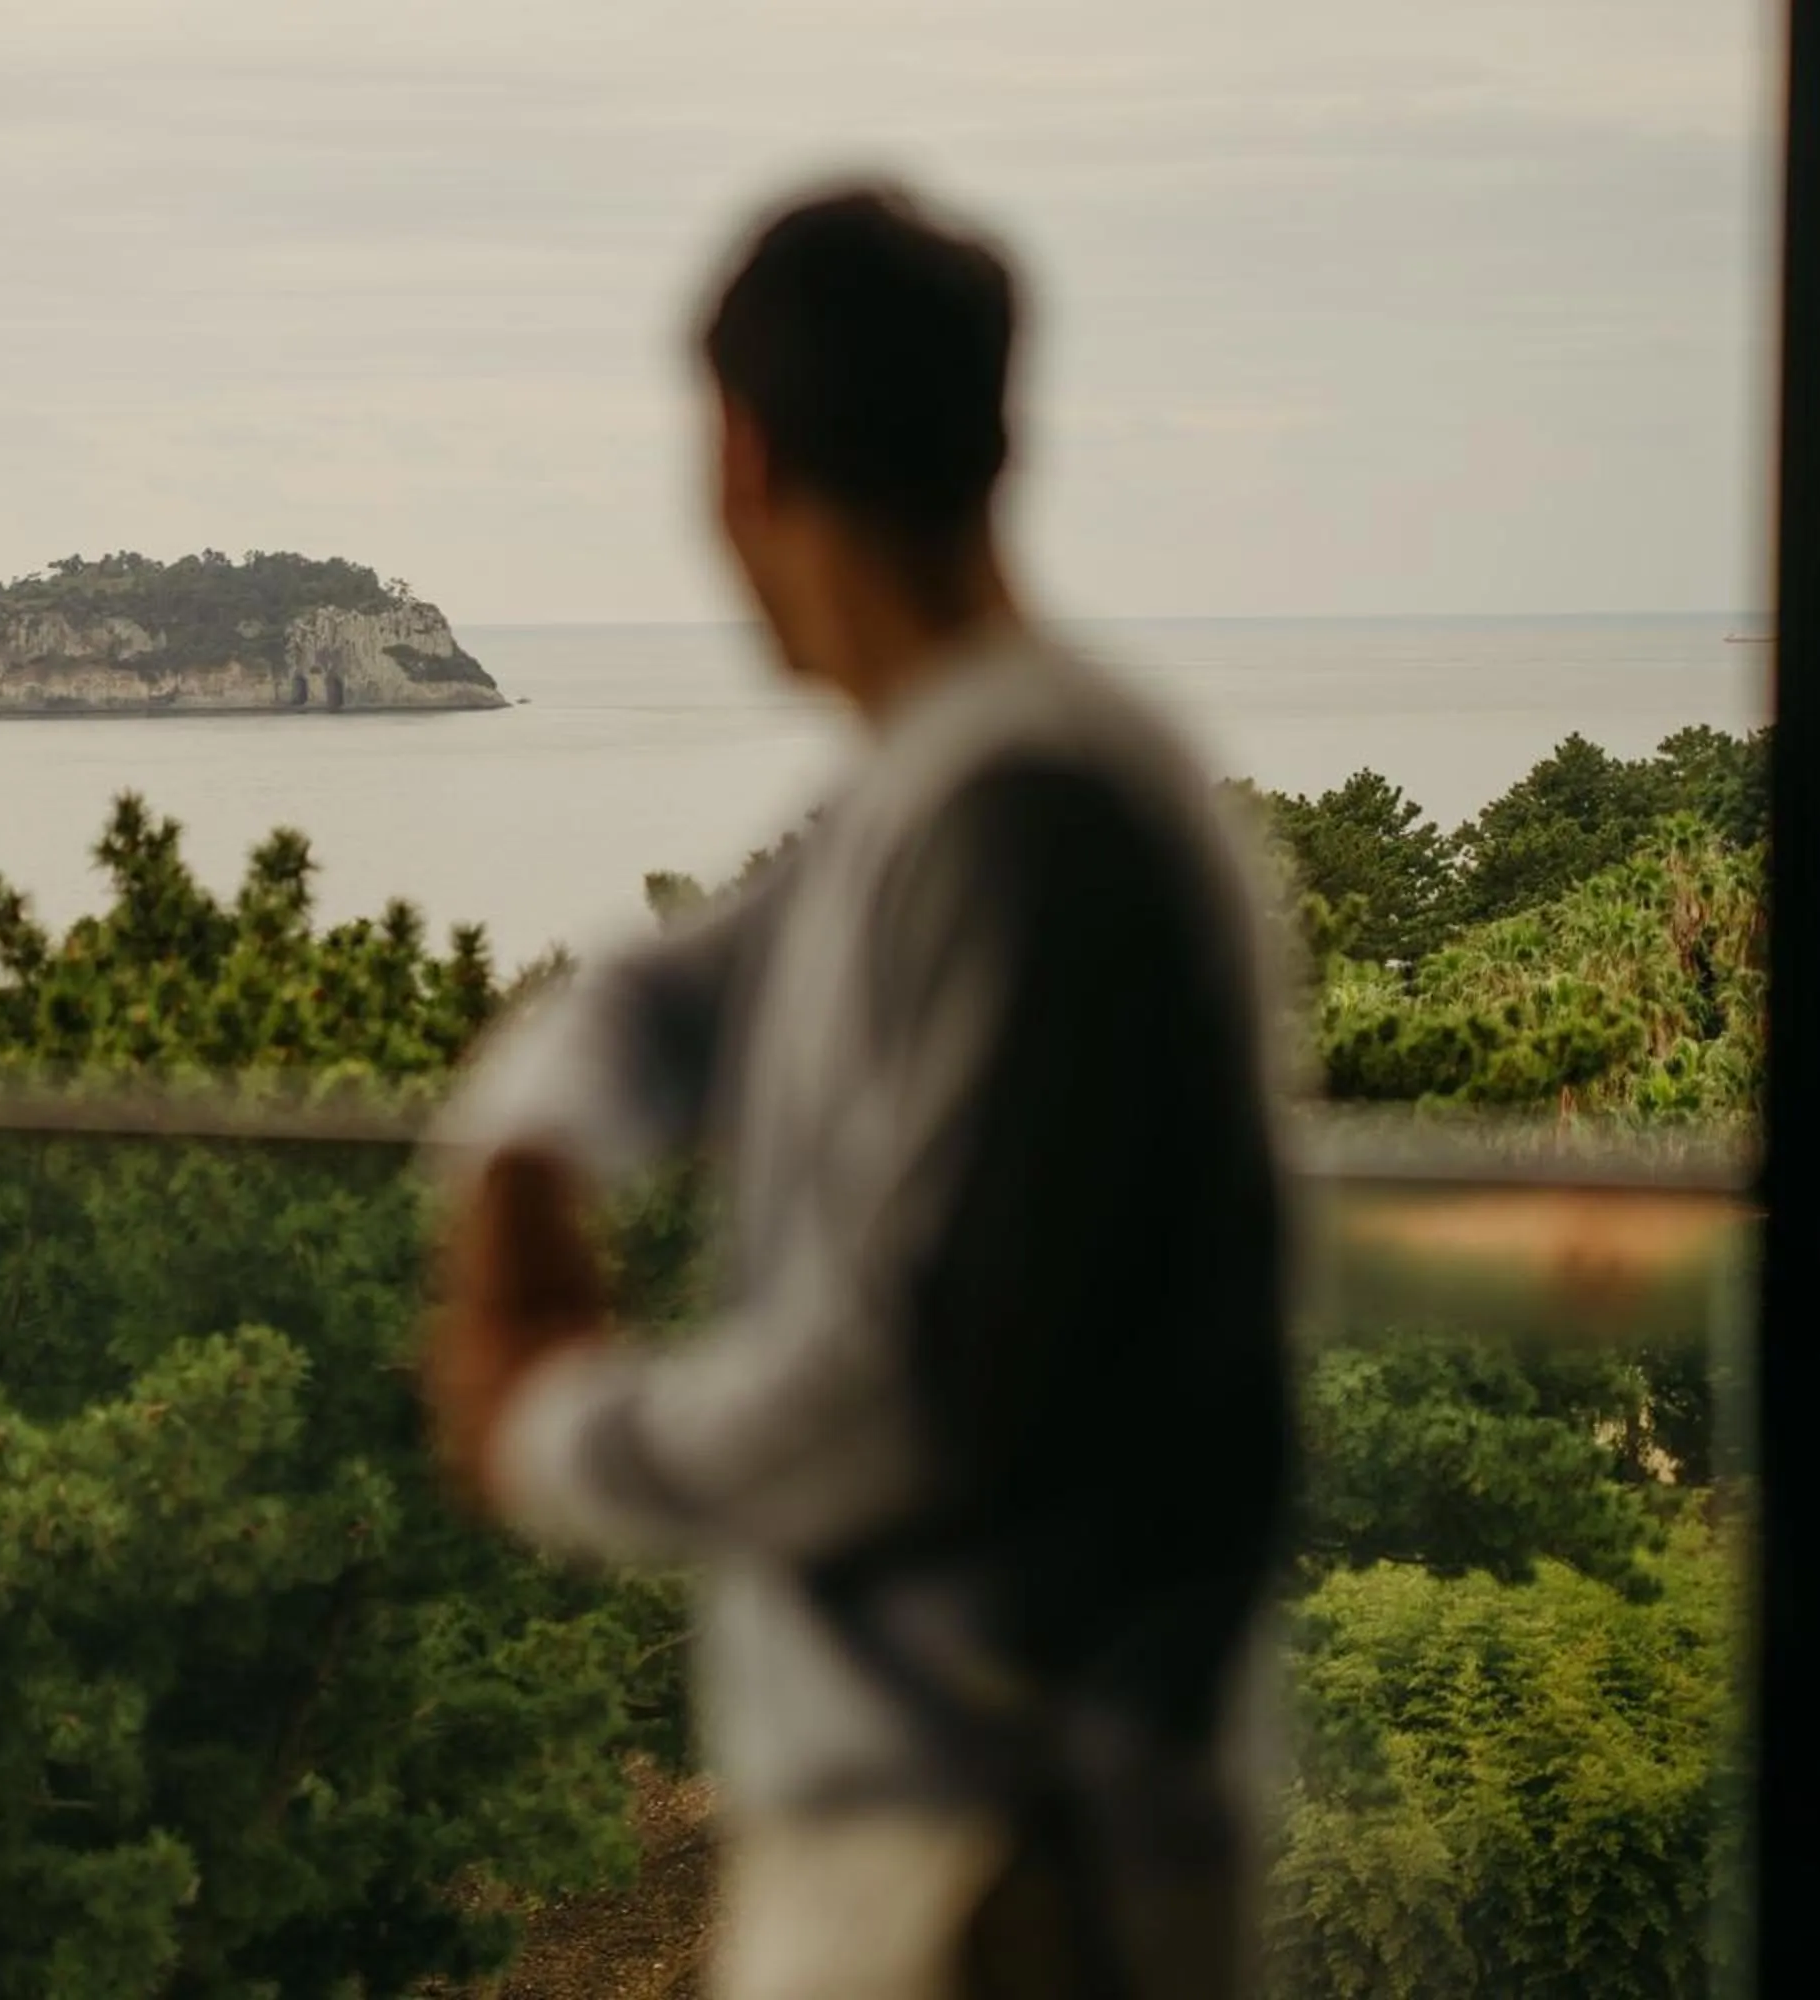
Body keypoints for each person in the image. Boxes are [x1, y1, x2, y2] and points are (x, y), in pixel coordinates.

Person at [423, 183, 1295, 2000]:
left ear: (741, 457)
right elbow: (662, 999)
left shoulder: (1025, 810)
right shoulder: (959, 781)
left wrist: (549, 1431)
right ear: (995, 436)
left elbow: (910, 1388)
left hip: (997, 1863)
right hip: (957, 1837)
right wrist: (525, 1145)